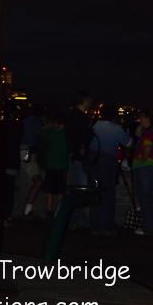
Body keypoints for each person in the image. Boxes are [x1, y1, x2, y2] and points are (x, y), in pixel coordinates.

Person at [85, 104, 132, 235]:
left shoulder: (93, 125)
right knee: (108, 194)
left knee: (95, 193)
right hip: (108, 162)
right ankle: (107, 227)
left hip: (92, 161)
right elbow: (129, 143)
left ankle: (95, 226)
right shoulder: (116, 129)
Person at [132, 109, 153, 236]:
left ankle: (149, 228)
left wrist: (142, 160)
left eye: (142, 117)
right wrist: (141, 124)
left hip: (146, 168)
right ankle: (148, 226)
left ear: (147, 118)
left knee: (144, 199)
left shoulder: (149, 132)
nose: (140, 118)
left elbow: (148, 147)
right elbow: (137, 134)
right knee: (146, 198)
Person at [65, 91, 92, 228]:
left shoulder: (71, 115)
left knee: (77, 186)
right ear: (85, 101)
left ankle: (79, 218)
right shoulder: (82, 118)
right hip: (79, 156)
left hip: (73, 155)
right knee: (80, 187)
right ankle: (74, 219)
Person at [0, 99, 23, 226]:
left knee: (0, 191)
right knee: (9, 192)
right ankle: (6, 217)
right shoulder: (17, 126)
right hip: (12, 162)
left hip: (0, 162)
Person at [40, 111, 69, 219]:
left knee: (50, 190)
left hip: (51, 164)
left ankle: (49, 212)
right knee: (61, 190)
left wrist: (48, 125)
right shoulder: (66, 133)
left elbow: (39, 131)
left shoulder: (51, 132)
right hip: (62, 165)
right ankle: (59, 212)